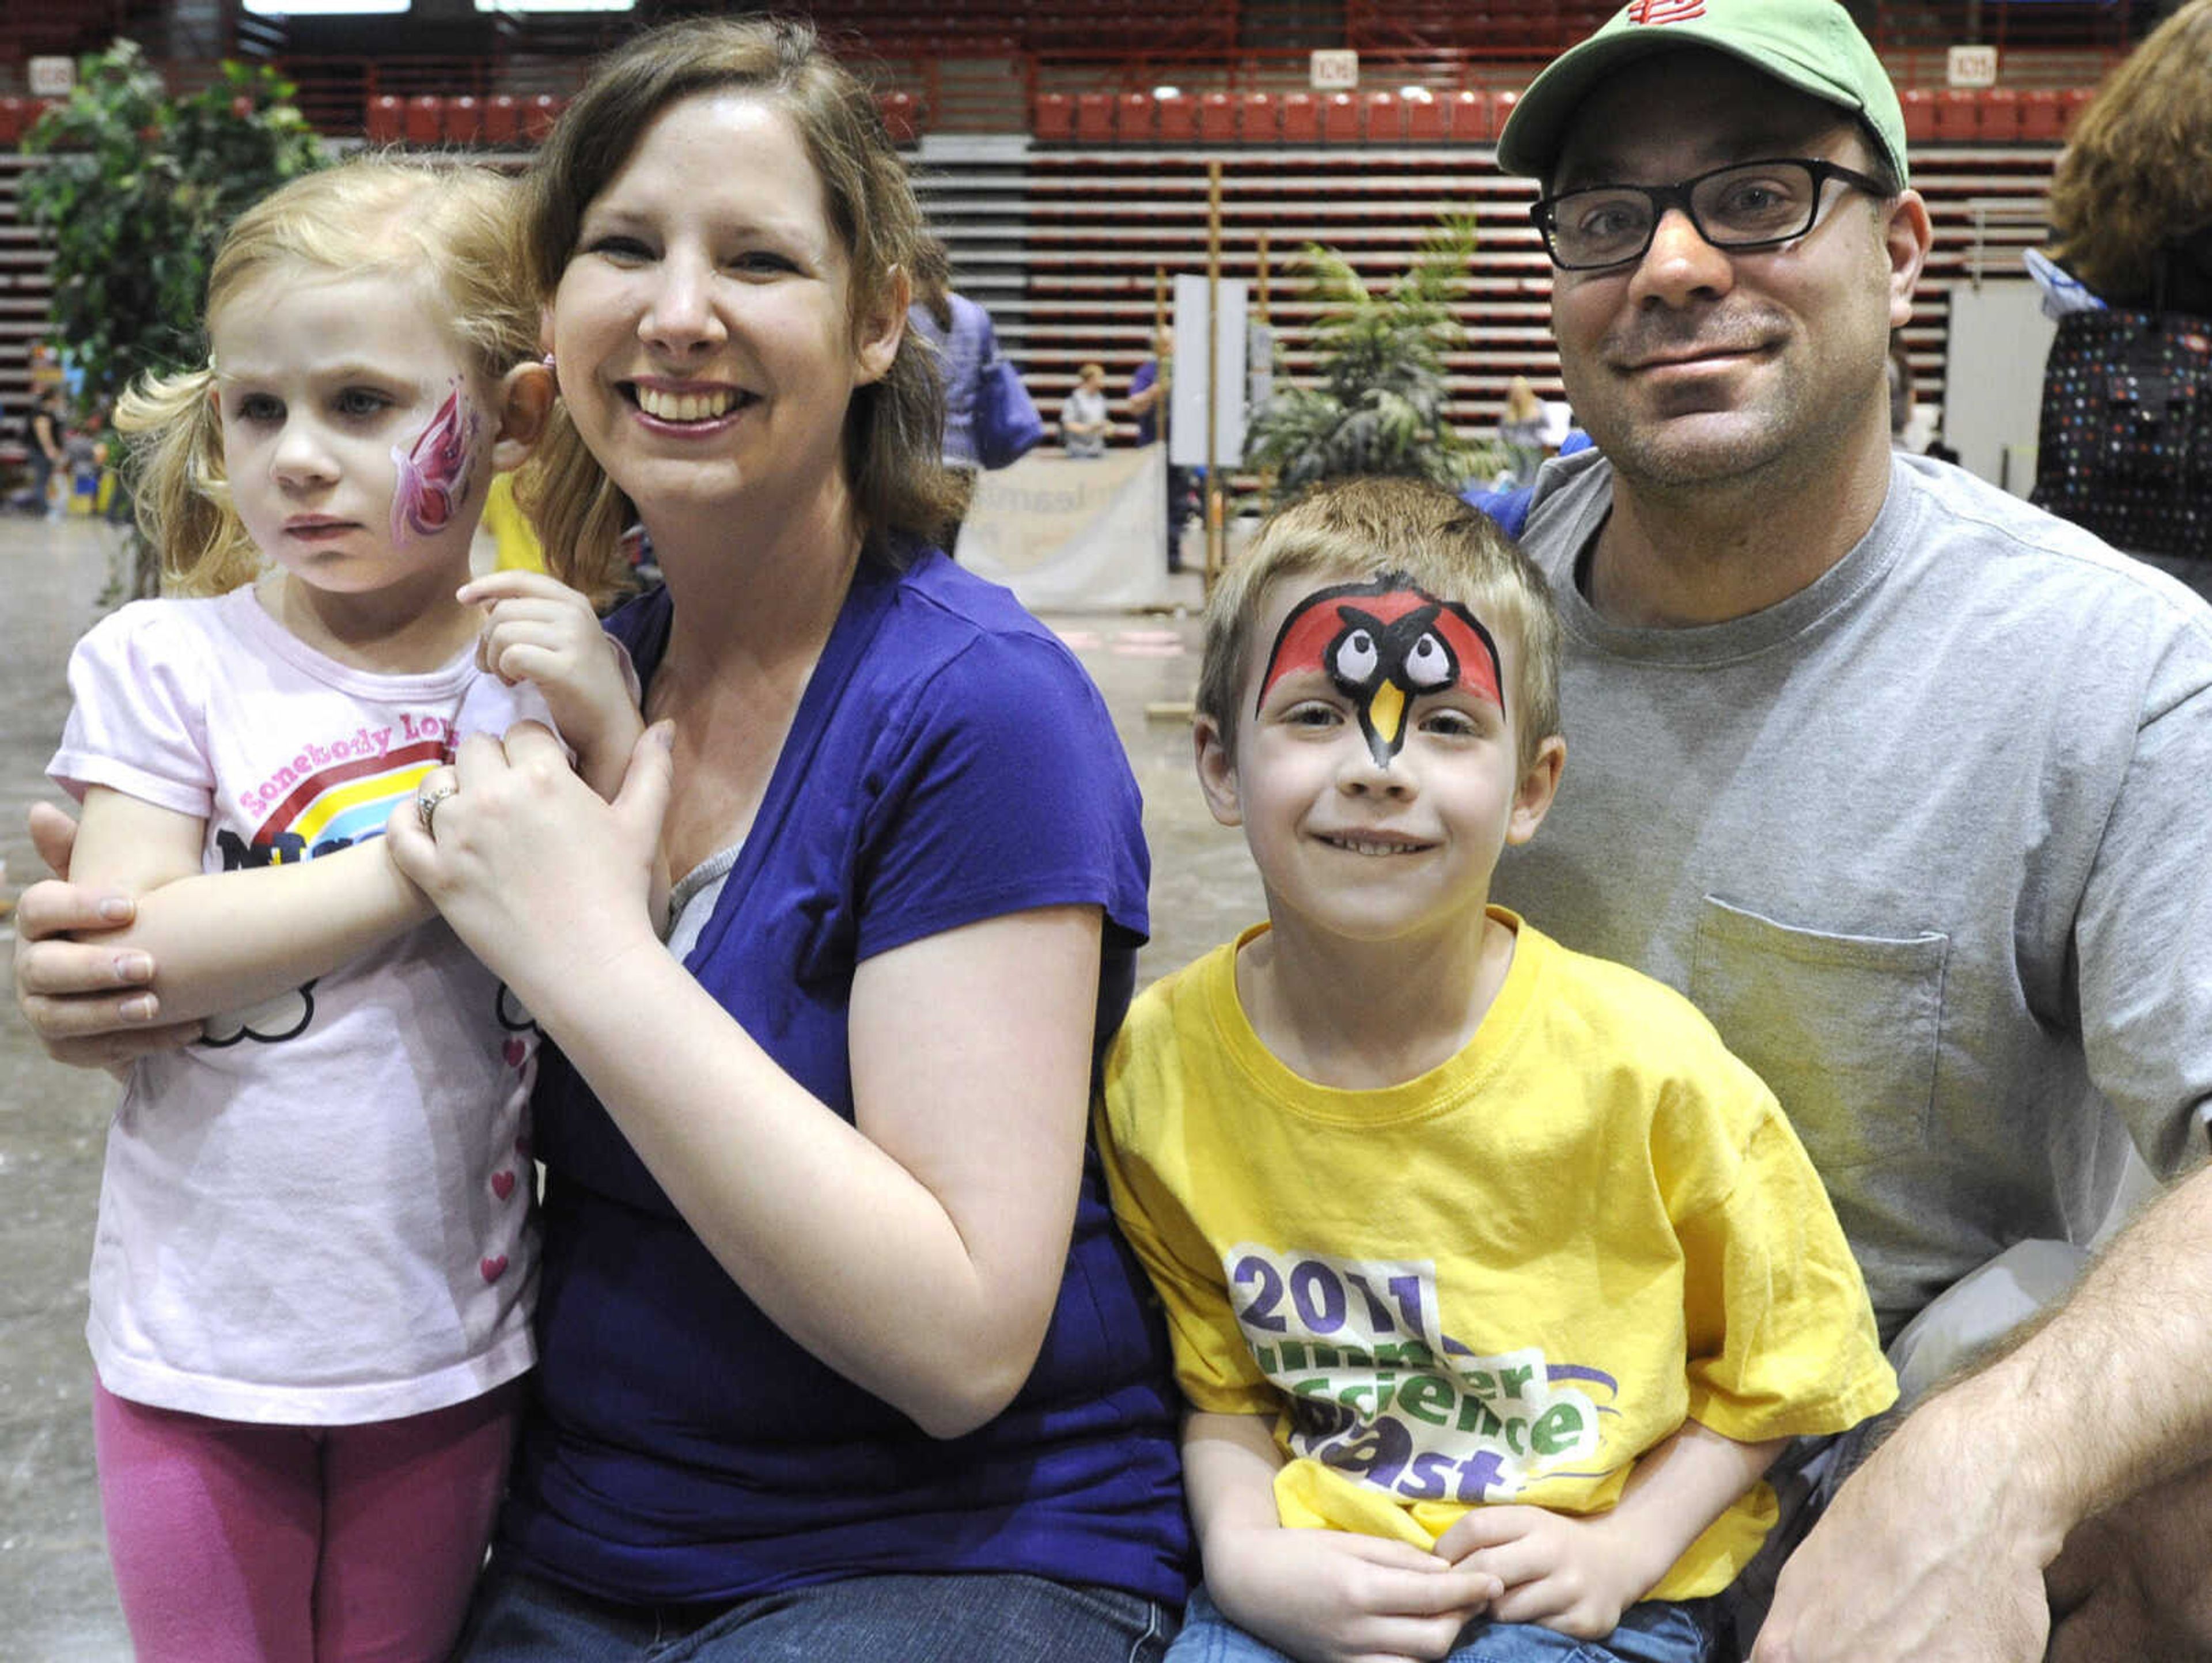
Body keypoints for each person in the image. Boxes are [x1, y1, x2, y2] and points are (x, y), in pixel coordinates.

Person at [9, 18, 1191, 1660]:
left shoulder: (976, 707)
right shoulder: (572, 671)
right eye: (624, 247)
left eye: (759, 257)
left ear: (874, 321)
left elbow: (957, 1342)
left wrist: (587, 957)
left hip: (928, 1549)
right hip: (581, 1528)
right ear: (549, 327)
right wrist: (127, 978)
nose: (680, 311)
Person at [1488, 1, 2212, 1657]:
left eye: (1754, 198)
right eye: (1606, 216)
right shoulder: (1465, 654)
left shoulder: (2114, 670)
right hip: (1526, 1425)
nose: (1672, 267)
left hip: (1897, 1439)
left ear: (1898, 253)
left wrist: (1996, 1462)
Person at [1099, 475, 1893, 1663]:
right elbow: (1224, 1391)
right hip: (1306, 1578)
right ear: (1219, 763)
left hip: (1575, 1596)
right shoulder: (1159, 1070)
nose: (1379, 764)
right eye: (1316, 714)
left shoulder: (1648, 1069)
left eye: (1448, 723)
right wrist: (1247, 1557)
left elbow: (1785, 1376)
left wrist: (1622, 1548)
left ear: (1532, 787)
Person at [43, 156, 640, 1661]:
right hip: (199, 1345)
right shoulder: (168, 661)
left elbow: (634, 914)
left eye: (363, 405)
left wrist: (614, 724)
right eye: (259, 409)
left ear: (509, 419)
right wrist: (423, 858)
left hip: (441, 1347)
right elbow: (134, 939)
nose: (297, 457)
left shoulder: (529, 667)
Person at [906, 237, 1043, 548]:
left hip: (913, 458)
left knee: (909, 556)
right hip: (963, 459)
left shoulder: (904, 318)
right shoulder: (975, 315)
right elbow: (990, 379)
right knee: (946, 553)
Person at [1130, 324, 1194, 571]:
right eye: (1168, 343)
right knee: (1152, 504)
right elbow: (1134, 405)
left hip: (1180, 450)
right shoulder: (1148, 372)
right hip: (1153, 449)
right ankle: (1150, 557)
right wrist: (1155, 393)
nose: (1173, 347)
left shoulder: (1187, 373)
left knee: (1178, 504)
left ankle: (1173, 555)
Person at [1497, 375, 1548, 487]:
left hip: (1533, 445)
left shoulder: (1538, 405)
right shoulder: (1510, 410)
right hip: (1515, 446)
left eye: (1519, 391)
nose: (1517, 395)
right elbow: (1502, 432)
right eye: (1514, 392)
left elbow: (1547, 426)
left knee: (1528, 453)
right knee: (1514, 451)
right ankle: (1518, 485)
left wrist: (1535, 417)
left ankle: (1528, 487)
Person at [1062, 359, 1112, 457]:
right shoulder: (1074, 400)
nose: (1103, 381)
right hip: (1078, 451)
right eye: (1100, 378)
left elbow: (1101, 422)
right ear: (1091, 379)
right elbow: (1068, 425)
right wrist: (1091, 428)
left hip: (1098, 450)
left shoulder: (1101, 399)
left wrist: (1107, 428)